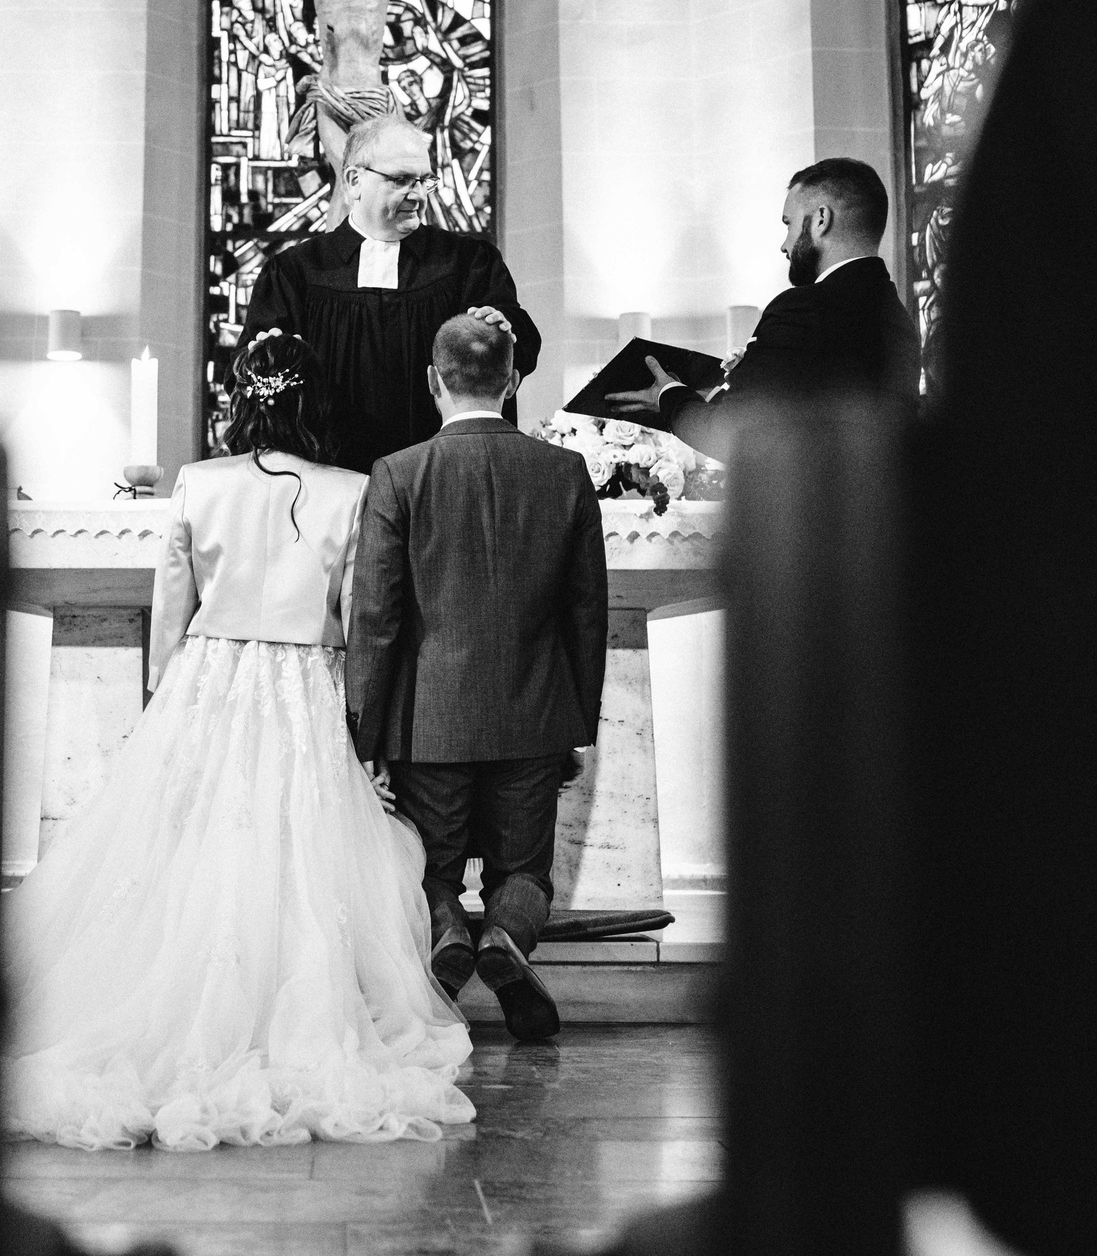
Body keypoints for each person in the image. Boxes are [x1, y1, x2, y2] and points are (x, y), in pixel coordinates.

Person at [1, 334, 473, 1151]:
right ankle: (293, 1015)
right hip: (306, 687)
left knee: (192, 854)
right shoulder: (350, 490)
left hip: (209, 681)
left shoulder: (200, 481)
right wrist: (362, 726)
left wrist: (164, 700)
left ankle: (178, 1002)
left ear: (242, 399)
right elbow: (360, 614)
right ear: (315, 399)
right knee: (299, 856)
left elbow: (172, 605)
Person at [347, 315, 610, 1042]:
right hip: (533, 715)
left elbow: (376, 617)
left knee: (430, 871)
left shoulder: (398, 473)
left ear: (433, 381)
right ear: (514, 380)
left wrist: (366, 737)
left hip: (428, 721)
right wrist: (577, 724)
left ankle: (448, 937)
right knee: (524, 873)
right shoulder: (564, 472)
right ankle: (503, 937)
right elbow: (587, 612)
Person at [184, 0, 528, 207]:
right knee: (349, 177)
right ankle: (343, 245)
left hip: (373, 99)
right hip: (331, 96)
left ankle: (354, 243)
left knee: (372, 182)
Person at [244, 114, 538, 474]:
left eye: (425, 180)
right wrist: (268, 359)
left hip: (441, 476)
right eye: (401, 180)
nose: (418, 194)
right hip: (327, 480)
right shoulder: (296, 272)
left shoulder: (467, 263)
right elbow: (250, 378)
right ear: (354, 181)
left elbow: (517, 350)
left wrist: (503, 329)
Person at [605, 156, 918, 454]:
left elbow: (732, 437)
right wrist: (746, 377)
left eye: (789, 224)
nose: (784, 245)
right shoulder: (899, 320)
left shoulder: (801, 309)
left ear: (821, 219)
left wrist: (668, 395)